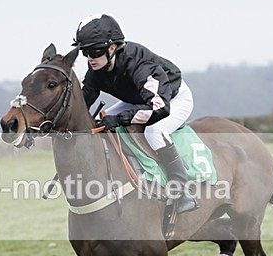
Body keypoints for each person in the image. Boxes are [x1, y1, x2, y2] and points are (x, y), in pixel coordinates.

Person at [72, 13, 199, 212]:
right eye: (85, 52)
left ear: (112, 48)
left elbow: (159, 108)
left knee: (154, 132)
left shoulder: (139, 63)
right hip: (138, 100)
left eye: (94, 51)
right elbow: (83, 101)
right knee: (98, 121)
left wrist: (121, 119)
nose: (89, 58)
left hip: (173, 99)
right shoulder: (96, 68)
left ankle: (183, 191)